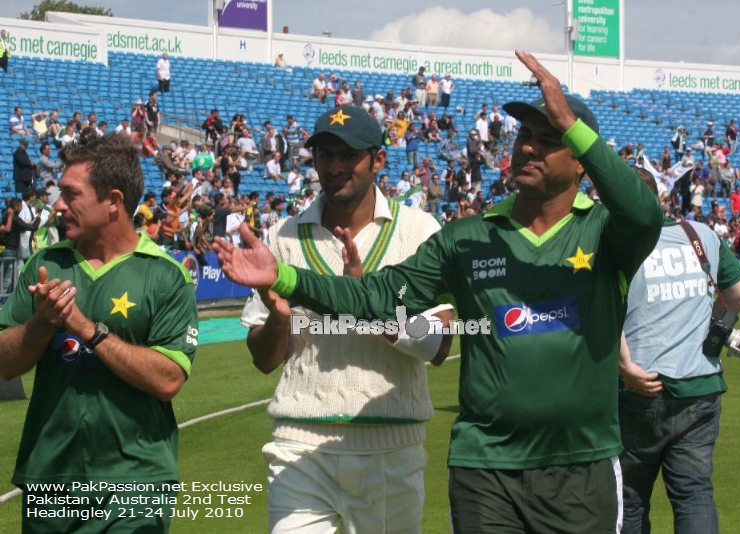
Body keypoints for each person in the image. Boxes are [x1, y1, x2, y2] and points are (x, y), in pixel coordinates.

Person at [213, 50, 663, 533]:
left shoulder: (607, 234)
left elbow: (644, 213)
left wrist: (572, 122)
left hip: (583, 463)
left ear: (580, 162)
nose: (528, 148)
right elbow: (377, 296)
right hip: (486, 467)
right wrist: (284, 278)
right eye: (524, 137)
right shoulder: (467, 237)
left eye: (549, 139)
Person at [236, 105, 453, 533]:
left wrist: (370, 308)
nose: (333, 167)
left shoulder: (419, 230)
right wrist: (279, 321)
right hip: (299, 447)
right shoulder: (282, 236)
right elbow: (264, 360)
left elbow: (440, 345)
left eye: (347, 155)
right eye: (324, 155)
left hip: (391, 448)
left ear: (378, 159)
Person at [0, 134, 198, 532]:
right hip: (51, 481)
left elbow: (168, 379)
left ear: (113, 201)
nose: (58, 205)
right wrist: (42, 323)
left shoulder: (164, 275)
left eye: (71, 195)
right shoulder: (47, 263)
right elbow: (4, 364)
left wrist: (85, 328)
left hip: (135, 484)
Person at [618, 169, 740, 534]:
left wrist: (625, 367)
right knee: (694, 495)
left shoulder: (616, 245)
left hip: (640, 386)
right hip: (701, 385)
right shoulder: (700, 234)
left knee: (629, 497)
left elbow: (603, 314)